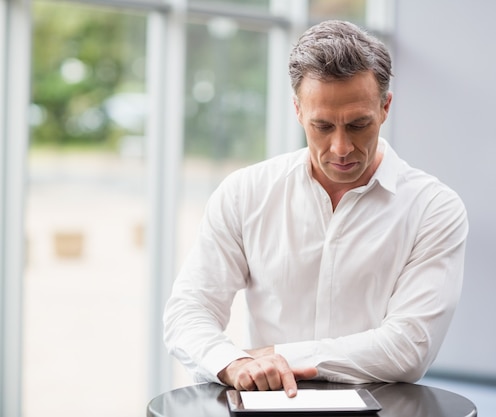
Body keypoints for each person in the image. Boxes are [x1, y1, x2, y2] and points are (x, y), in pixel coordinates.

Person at [163, 20, 468, 398]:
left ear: (385, 107)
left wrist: (276, 357)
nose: (340, 147)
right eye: (322, 126)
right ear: (296, 110)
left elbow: (409, 347)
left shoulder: (433, 209)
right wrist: (234, 363)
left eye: (358, 125)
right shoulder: (246, 193)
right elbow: (188, 311)